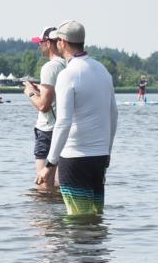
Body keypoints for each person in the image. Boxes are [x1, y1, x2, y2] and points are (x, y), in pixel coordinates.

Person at [37, 20, 118, 216]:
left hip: (75, 159)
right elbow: (113, 115)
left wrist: (49, 165)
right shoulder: (102, 70)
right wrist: (107, 153)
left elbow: (63, 123)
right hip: (99, 158)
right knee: (95, 218)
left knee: (77, 220)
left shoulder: (68, 74)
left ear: (62, 42)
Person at [24, 25, 67, 190]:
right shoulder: (68, 64)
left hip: (48, 130)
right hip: (65, 128)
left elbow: (44, 106)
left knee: (43, 185)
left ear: (48, 43)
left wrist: (29, 92)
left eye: (40, 42)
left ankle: (44, 215)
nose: (39, 46)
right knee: (58, 184)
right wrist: (40, 90)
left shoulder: (49, 67)